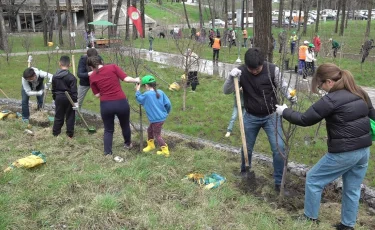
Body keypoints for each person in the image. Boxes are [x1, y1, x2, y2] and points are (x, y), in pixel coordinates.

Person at [275, 63, 374, 230]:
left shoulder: (331, 99)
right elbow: (372, 114)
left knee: (313, 179)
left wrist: (284, 111)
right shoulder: (359, 92)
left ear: (329, 82)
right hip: (363, 151)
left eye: (320, 85)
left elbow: (305, 119)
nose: (321, 89)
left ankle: (309, 218)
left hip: (345, 151)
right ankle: (347, 225)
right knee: (352, 188)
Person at [223, 47, 297, 192]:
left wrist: (290, 96)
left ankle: (278, 183)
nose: (255, 72)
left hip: (271, 116)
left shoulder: (272, 70)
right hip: (251, 116)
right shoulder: (240, 72)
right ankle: (245, 172)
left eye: (257, 69)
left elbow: (283, 86)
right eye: (252, 70)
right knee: (246, 147)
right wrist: (231, 77)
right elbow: (226, 91)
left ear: (262, 63)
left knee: (279, 148)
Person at [87, 56, 140, 156]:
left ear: (91, 67)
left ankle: (108, 152)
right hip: (121, 102)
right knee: (124, 125)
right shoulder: (113, 67)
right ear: (102, 61)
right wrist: (136, 79)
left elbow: (97, 95)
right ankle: (128, 144)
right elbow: (126, 79)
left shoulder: (92, 76)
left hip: (106, 105)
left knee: (108, 129)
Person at [135, 75, 172, 157]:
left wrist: (137, 90)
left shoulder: (147, 94)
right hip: (160, 118)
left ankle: (165, 151)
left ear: (147, 85)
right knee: (149, 130)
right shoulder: (160, 92)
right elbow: (168, 104)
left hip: (156, 119)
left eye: (144, 86)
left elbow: (139, 99)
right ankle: (151, 145)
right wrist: (166, 113)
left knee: (157, 135)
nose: (144, 88)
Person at [51, 56, 77, 138]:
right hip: (69, 99)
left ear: (59, 64)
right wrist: (75, 102)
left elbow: (53, 89)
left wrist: (54, 98)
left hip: (59, 98)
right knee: (70, 116)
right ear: (70, 64)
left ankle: (56, 133)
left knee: (58, 115)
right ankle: (70, 134)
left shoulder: (54, 76)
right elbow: (74, 91)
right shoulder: (72, 77)